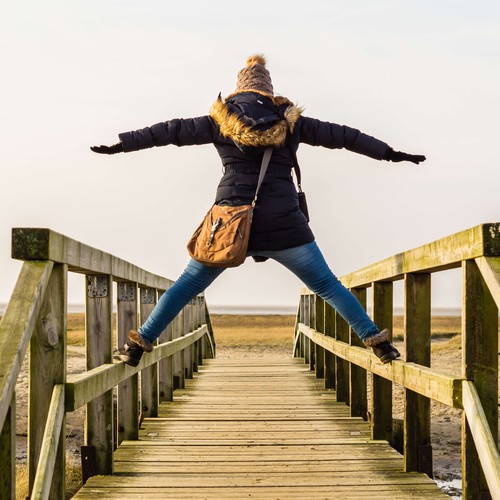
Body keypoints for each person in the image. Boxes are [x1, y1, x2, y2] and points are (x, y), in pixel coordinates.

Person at [91, 54, 425, 367]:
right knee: (327, 285)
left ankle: (138, 345)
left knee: (187, 284)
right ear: (269, 91)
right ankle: (379, 343)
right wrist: (390, 153)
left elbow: (169, 132)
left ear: (238, 90)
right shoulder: (292, 122)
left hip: (229, 224)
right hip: (284, 225)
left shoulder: (217, 121)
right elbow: (345, 137)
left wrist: (122, 144)